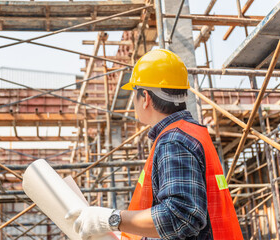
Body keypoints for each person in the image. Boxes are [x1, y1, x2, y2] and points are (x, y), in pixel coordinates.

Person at [65, 49, 243, 240]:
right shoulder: (191, 133)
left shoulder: (173, 141)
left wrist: (112, 219)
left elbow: (180, 218)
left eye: (135, 94)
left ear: (146, 98)